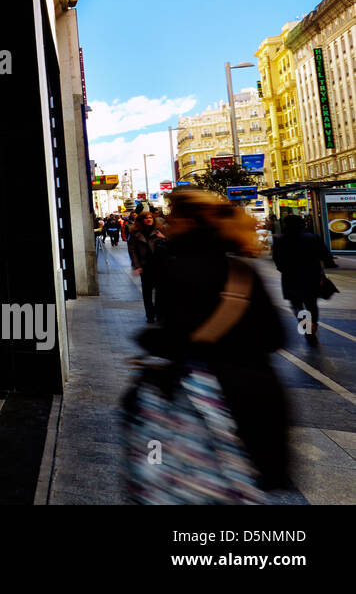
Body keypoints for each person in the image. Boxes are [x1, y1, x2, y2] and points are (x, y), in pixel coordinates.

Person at [138, 189, 290, 492]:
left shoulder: (175, 268)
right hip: (252, 399)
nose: (167, 222)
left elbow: (176, 338)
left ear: (189, 222)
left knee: (197, 484)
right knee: (243, 485)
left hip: (202, 400)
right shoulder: (240, 271)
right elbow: (276, 336)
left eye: (173, 216)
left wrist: (148, 339)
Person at [272, 214, 334, 345]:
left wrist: (284, 269)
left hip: (290, 277)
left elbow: (277, 260)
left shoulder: (280, 240)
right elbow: (326, 256)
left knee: (296, 304)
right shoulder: (313, 238)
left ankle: (306, 327)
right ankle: (313, 326)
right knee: (311, 303)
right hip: (312, 276)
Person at [128, 209, 167, 324]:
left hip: (160, 265)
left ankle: (159, 313)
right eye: (146, 218)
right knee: (147, 292)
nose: (149, 220)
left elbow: (170, 245)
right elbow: (132, 250)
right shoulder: (135, 233)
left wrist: (164, 237)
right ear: (141, 220)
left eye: (150, 218)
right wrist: (137, 265)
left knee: (161, 292)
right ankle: (150, 315)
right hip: (145, 266)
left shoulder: (160, 230)